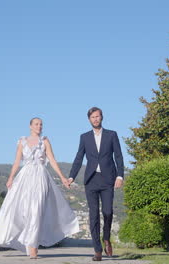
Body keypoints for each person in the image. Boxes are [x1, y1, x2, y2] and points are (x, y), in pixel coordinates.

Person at [0, 117, 80, 259]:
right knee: (21, 209)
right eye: (36, 124)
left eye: (41, 124)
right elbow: (16, 161)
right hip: (25, 177)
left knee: (36, 211)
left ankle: (33, 248)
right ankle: (23, 241)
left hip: (41, 177)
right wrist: (11, 177)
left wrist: (62, 177)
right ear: (30, 126)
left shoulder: (45, 141)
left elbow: (53, 160)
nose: (39, 126)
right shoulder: (22, 142)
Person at [68, 107, 124, 261]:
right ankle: (97, 250)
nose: (95, 119)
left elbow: (118, 156)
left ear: (102, 117)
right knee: (93, 215)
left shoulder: (112, 135)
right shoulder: (84, 137)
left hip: (108, 179)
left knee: (107, 212)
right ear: (89, 119)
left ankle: (106, 238)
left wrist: (120, 176)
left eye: (97, 116)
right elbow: (79, 157)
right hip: (91, 180)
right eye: (93, 117)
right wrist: (71, 176)